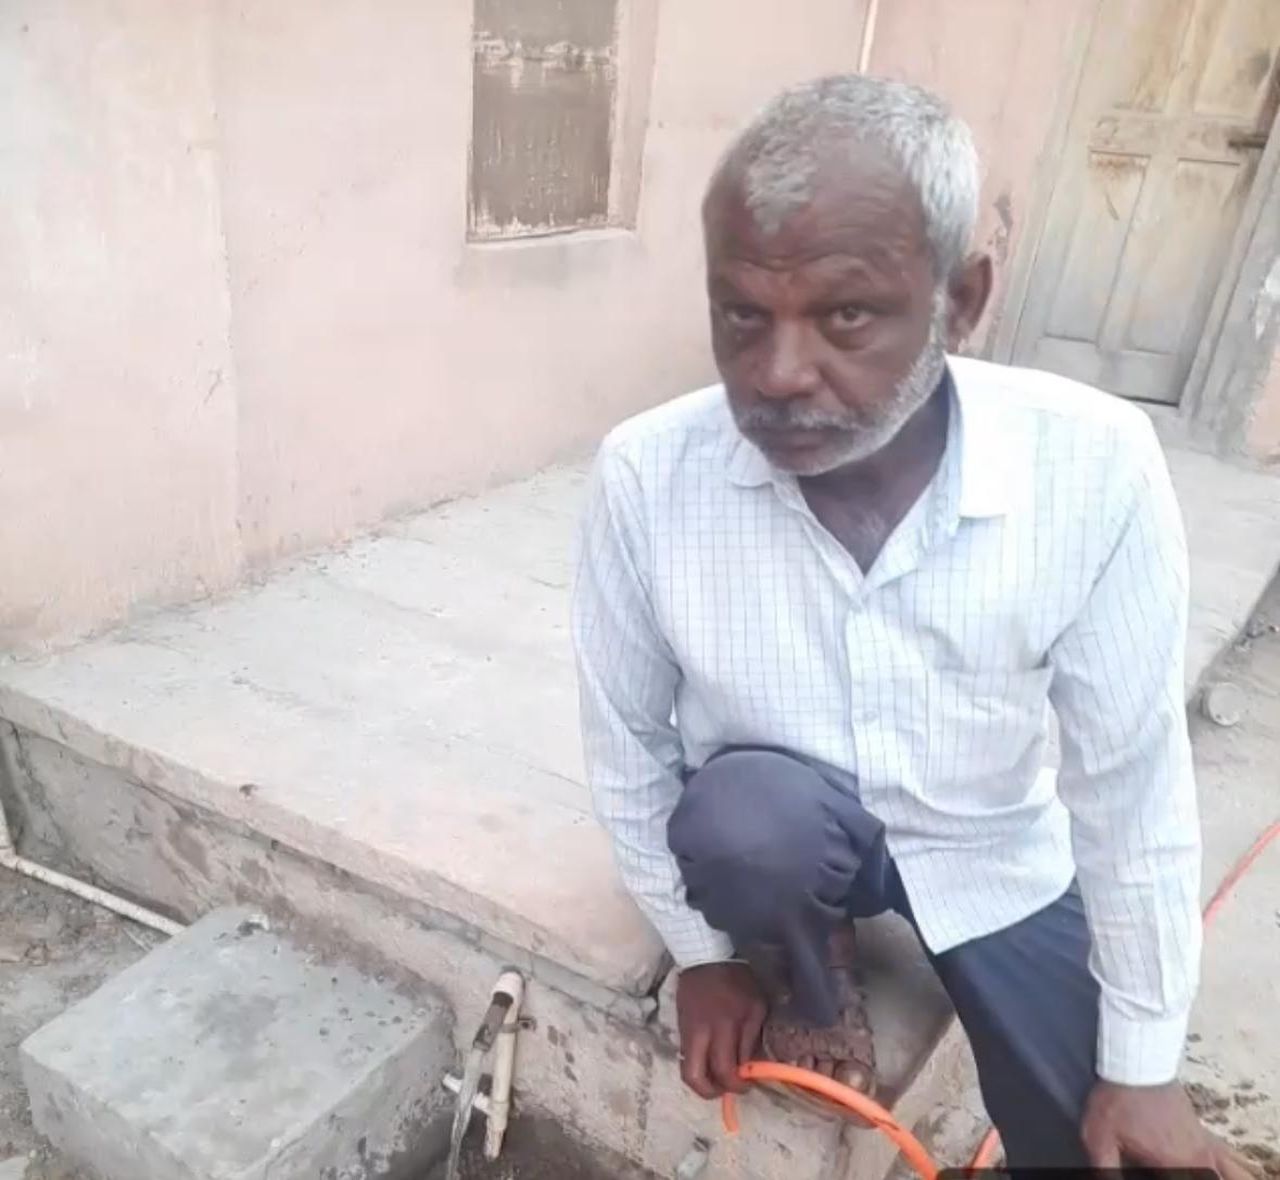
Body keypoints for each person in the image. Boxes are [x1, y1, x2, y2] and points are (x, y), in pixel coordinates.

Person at [571, 74, 1251, 1172]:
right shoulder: (647, 477)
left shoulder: (1091, 467)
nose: (778, 374)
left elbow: (1131, 784)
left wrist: (1144, 1063)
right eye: (742, 314)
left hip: (989, 843)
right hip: (784, 835)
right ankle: (814, 966)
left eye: (845, 314)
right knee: (742, 819)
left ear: (962, 301)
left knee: (1100, 1144)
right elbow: (626, 748)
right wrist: (704, 956)